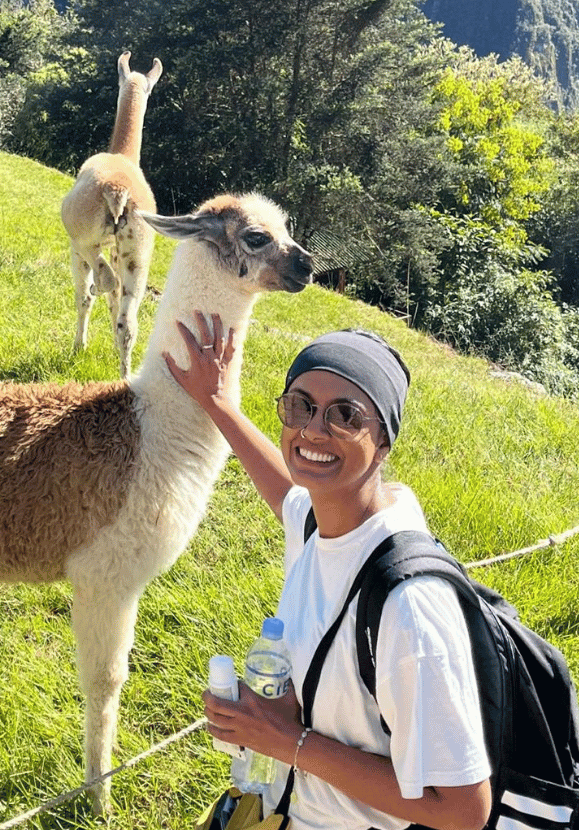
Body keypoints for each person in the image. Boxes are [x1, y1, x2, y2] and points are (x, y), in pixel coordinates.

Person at [164, 313, 492, 830]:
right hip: (277, 809)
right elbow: (288, 495)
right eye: (300, 406)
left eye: (345, 415)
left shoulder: (410, 609)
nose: (313, 429)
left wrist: (284, 740)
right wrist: (218, 402)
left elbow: (462, 809)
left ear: (384, 441)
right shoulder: (326, 520)